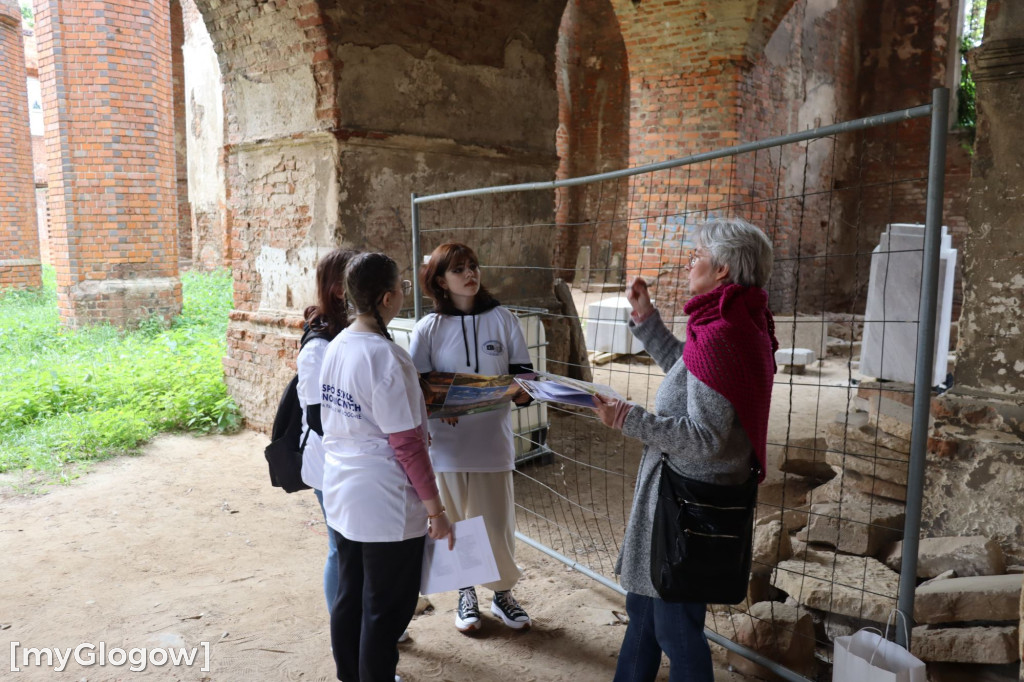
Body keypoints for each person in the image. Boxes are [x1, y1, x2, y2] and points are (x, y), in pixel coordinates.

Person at [591, 217, 777, 682]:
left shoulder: (723, 333)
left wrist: (628, 418)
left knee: (674, 627)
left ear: (724, 269)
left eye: (699, 256)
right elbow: (692, 373)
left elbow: (707, 437)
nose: (691, 262)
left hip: (687, 505)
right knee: (644, 610)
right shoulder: (733, 320)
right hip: (684, 496)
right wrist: (647, 321)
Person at [320, 252, 454, 682]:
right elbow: (408, 447)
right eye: (401, 288)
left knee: (350, 597)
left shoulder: (338, 344)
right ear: (386, 298)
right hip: (385, 502)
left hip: (342, 490)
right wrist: (437, 511)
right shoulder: (388, 358)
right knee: (385, 610)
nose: (403, 295)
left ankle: (350, 676)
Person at [409, 242, 534, 633]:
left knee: (496, 523)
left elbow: (525, 378)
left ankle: (502, 594)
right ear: (441, 281)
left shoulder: (503, 319)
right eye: (459, 269)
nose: (470, 274)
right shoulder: (428, 328)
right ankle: (466, 592)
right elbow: (417, 388)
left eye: (473, 266)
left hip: (492, 443)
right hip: (447, 448)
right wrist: (437, 407)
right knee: (458, 523)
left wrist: (522, 390)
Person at [297, 248, 357, 614]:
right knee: (341, 547)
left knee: (360, 547)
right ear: (339, 289)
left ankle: (372, 628)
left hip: (355, 459)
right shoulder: (318, 346)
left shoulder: (357, 331)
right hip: (332, 462)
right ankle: (344, 628)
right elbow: (319, 420)